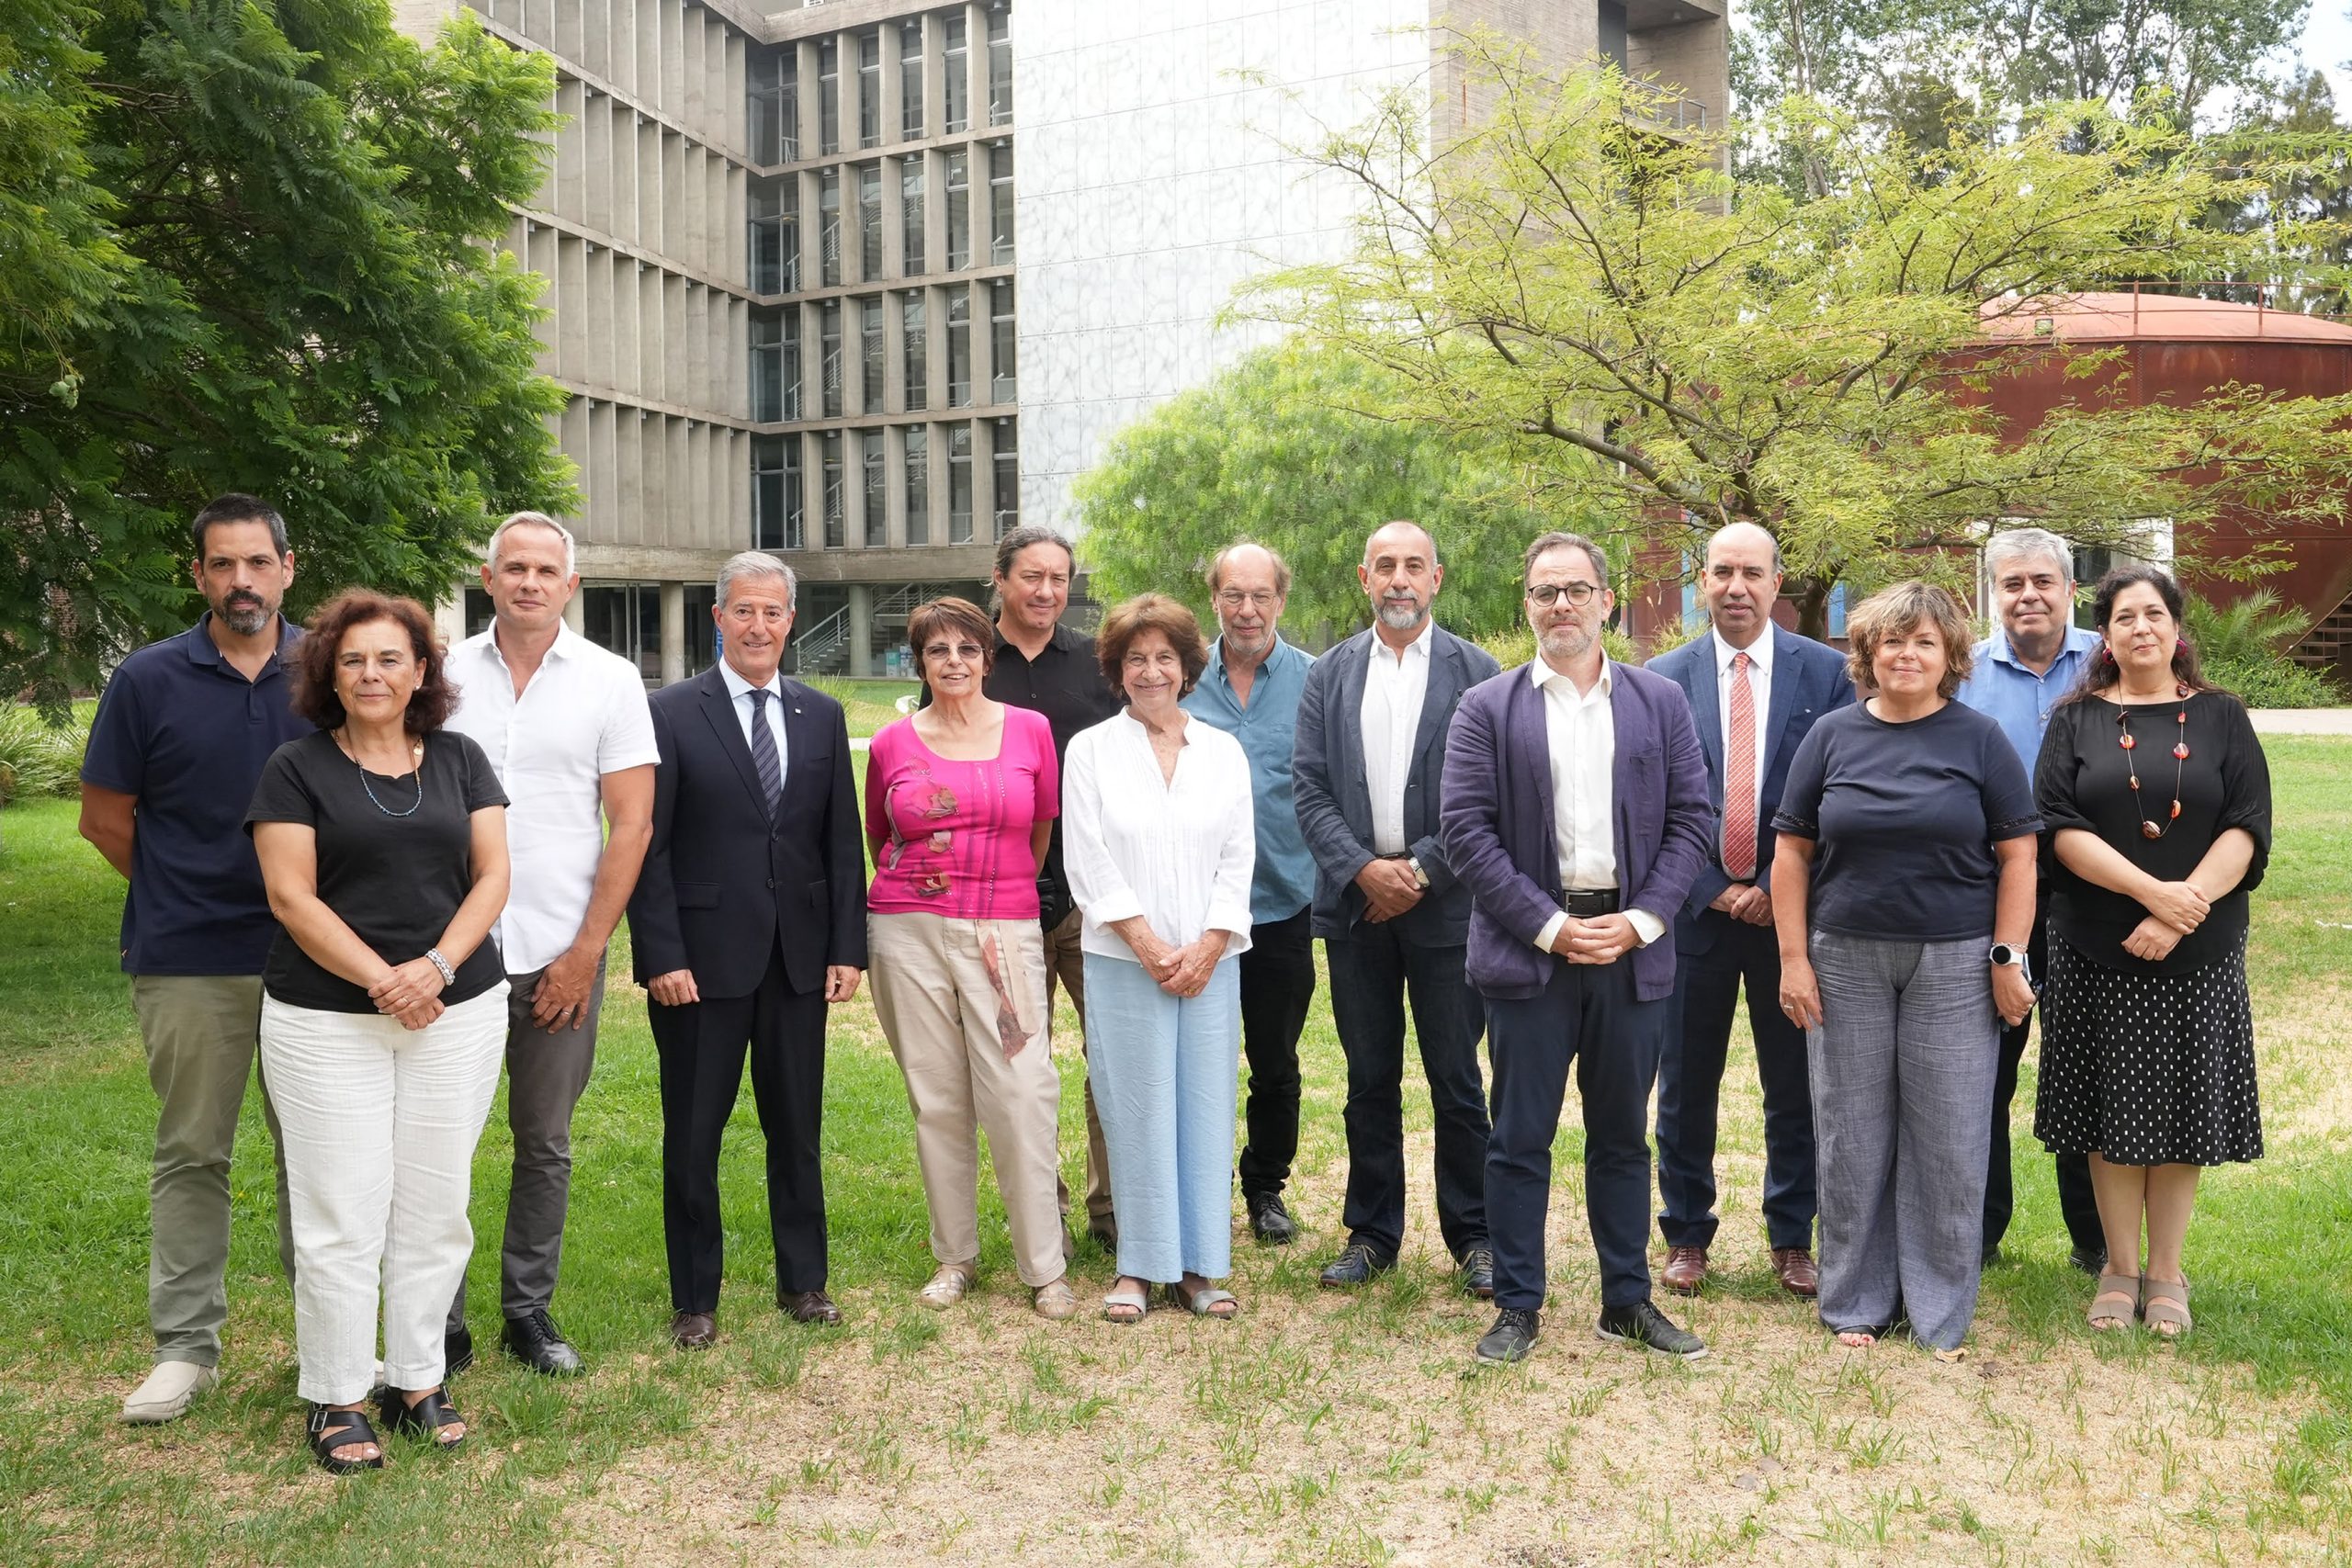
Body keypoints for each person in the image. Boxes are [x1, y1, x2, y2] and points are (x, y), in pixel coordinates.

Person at [246, 591, 512, 1471]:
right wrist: (385, 981)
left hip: (459, 1011)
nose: (372, 673)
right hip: (326, 1022)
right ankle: (336, 1393)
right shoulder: (295, 767)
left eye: (390, 658)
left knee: (436, 1208)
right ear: (330, 671)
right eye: (354, 659)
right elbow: (292, 896)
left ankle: (417, 1378)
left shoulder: (463, 760)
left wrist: (433, 969)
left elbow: (492, 874)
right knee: (340, 1212)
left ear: (422, 671)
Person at [1440, 533, 1715, 1365]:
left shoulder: (1658, 701)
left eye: (1576, 589)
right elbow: (1465, 832)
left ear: (1607, 599)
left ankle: (1626, 1299)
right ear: (1526, 604)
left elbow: (1693, 820)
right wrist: (1551, 927)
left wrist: (1641, 921)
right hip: (1531, 953)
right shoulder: (1486, 708)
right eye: (1544, 591)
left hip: (1633, 949)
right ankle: (1518, 1304)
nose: (1561, 604)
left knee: (1624, 1137)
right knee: (1519, 1135)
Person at [80, 494, 306, 1425]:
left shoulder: (329, 672)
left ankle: (332, 1341)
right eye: (223, 565)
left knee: (322, 1158)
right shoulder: (147, 679)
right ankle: (184, 1349)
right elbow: (104, 819)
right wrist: (185, 886)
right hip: (189, 959)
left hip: (315, 959)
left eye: (257, 563)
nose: (241, 581)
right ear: (200, 575)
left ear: (288, 568)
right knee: (192, 1152)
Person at [1770, 581, 2040, 1352]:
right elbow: (1791, 853)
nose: (1906, 654)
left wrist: (2005, 955)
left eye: (1923, 642)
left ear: (1950, 655)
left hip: (1956, 959)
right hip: (1844, 955)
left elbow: (2019, 855)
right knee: (1851, 1132)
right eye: (1892, 641)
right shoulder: (1830, 736)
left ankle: (1938, 1310)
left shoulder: (1980, 738)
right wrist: (1794, 959)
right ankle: (1855, 1300)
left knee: (1949, 1137)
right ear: (1868, 653)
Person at [626, 552, 865, 1349]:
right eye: (744, 611)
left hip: (798, 960)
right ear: (718, 618)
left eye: (773, 612)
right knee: (694, 1134)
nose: (759, 625)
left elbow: (840, 844)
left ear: (790, 622)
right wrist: (660, 954)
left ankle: (805, 1282)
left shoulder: (821, 715)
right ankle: (695, 1297)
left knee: (795, 1127)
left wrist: (847, 947)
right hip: (698, 963)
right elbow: (644, 843)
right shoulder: (667, 711)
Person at [439, 512, 657, 1377]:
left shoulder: (610, 679)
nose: (529, 582)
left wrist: (586, 951)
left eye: (546, 571)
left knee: (545, 1140)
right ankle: (437, 1319)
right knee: (438, 1139)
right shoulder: (441, 674)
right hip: (450, 951)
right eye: (513, 568)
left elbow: (631, 822)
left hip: (559, 950)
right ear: (487, 580)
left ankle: (526, 1313)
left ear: (571, 587)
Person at [2033, 566, 2270, 1338]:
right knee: (2109, 1110)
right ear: (2105, 635)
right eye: (2125, 616)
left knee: (2181, 1109)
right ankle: (2118, 1266)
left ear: (2176, 627)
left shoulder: (2223, 716)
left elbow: (2246, 823)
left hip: (2198, 949)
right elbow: (2058, 827)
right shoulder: (2074, 720)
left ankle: (2167, 1270)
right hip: (2097, 945)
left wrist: (2181, 909)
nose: (2141, 627)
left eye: (2154, 614)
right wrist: (2150, 894)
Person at [1295, 522, 1502, 1297]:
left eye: (1414, 565)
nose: (1400, 579)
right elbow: (1308, 786)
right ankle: (1372, 1231)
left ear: (1437, 578)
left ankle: (1475, 1235)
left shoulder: (1478, 673)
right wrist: (1363, 872)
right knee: (1367, 1076)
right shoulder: (1330, 675)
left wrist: (1417, 871)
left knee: (1457, 1077)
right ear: (1364, 577)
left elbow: (1486, 794)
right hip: (1355, 912)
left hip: (1447, 911)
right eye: (1386, 566)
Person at [1645, 523, 1851, 1301]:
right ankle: (1687, 1234)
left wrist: (1772, 882)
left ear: (1777, 581)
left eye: (1752, 572)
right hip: (1693, 913)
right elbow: (1652, 802)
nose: (1737, 586)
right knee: (1685, 1083)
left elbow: (1838, 793)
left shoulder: (1828, 676)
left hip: (1789, 916)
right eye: (1722, 571)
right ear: (1702, 581)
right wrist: (1711, 885)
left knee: (1794, 1082)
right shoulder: (1661, 677)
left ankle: (1793, 1237)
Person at [865, 596, 1077, 1320]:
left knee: (1022, 1089)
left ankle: (1044, 1265)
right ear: (920, 663)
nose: (953, 662)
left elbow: (1039, 829)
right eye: (937, 651)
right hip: (907, 928)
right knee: (938, 1095)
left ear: (988, 658)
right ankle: (954, 1257)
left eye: (966, 649)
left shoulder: (1031, 731)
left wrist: (995, 895)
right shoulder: (893, 741)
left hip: (1004, 927)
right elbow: (880, 833)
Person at [1062, 595, 1256, 1323]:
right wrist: (1145, 943)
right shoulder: (1090, 752)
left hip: (1211, 961)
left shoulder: (1223, 752)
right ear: (1117, 670)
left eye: (1164, 658)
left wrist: (1208, 945)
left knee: (1204, 1104)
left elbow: (1239, 858)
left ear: (1186, 666)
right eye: (1136, 659)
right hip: (1122, 960)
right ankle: (1139, 1267)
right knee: (1135, 1105)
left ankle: (1202, 1265)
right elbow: (1088, 859)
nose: (1151, 671)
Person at [946, 525, 1124, 1251]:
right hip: (1000, 901)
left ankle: (1113, 1207)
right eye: (1031, 577)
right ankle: (1039, 1205)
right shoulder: (964, 663)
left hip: (1094, 899)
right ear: (999, 577)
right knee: (1021, 1064)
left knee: (1111, 1054)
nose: (1046, 591)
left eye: (1058, 578)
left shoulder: (1096, 666)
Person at [1957, 526, 2109, 1275]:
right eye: (2012, 583)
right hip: (1993, 896)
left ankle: (2096, 1240)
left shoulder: (2112, 659)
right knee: (1984, 1068)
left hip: (2096, 897)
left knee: (2086, 1067)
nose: (2028, 596)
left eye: (2042, 582)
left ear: (2069, 590)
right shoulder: (1964, 674)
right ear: (1995, 593)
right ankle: (1979, 1234)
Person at [1180, 543, 1318, 1246]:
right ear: (1215, 600)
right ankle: (1193, 1186)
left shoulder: (1316, 681)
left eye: (1261, 595)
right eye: (1234, 594)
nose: (1247, 609)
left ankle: (1266, 1187)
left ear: (1281, 601)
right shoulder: (1177, 680)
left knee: (1274, 1061)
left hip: (1283, 902)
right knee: (1193, 1058)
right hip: (1192, 906)